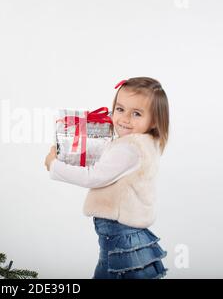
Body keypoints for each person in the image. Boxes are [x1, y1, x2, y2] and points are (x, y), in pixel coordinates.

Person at [45, 77, 169, 279]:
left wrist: (55, 165)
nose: (124, 119)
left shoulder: (129, 148)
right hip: (126, 231)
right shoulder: (143, 142)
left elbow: (92, 177)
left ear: (154, 120)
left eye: (136, 113)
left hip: (119, 231)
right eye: (120, 109)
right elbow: (106, 159)